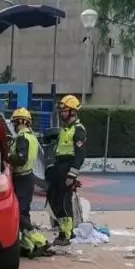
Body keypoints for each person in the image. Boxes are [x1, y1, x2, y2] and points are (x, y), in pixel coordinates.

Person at [46, 95, 87, 245]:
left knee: (63, 202)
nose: (61, 113)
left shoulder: (78, 130)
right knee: (54, 199)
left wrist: (72, 175)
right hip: (59, 166)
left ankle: (66, 234)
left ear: (73, 112)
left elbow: (80, 155)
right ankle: (63, 231)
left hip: (67, 168)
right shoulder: (65, 129)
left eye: (64, 110)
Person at [9, 108, 49, 257]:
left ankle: (40, 241)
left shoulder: (22, 138)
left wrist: (7, 157)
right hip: (27, 178)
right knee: (23, 212)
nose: (13, 125)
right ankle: (26, 245)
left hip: (22, 179)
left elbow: (20, 159)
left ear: (19, 122)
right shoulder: (31, 137)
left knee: (19, 214)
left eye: (14, 122)